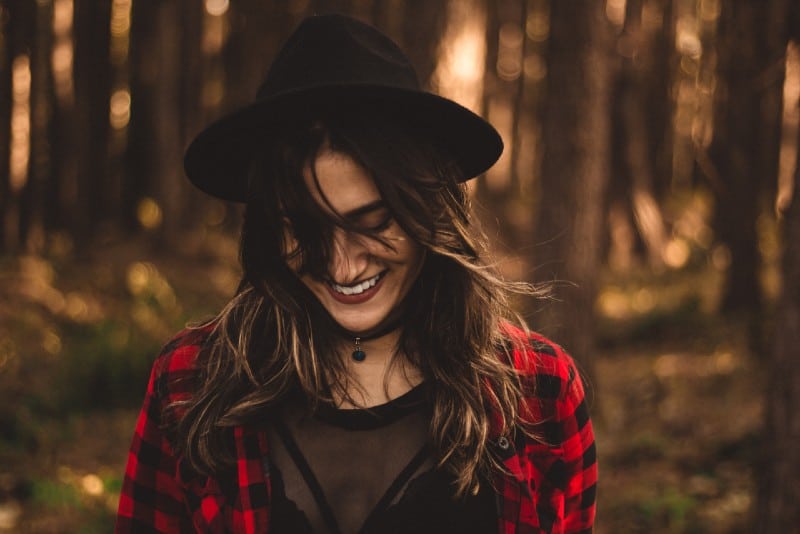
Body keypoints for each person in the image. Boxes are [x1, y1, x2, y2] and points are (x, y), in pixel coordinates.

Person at [116, 13, 596, 534]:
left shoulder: (538, 391)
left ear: (428, 212)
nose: (342, 265)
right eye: (301, 229)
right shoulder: (191, 380)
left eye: (373, 222)